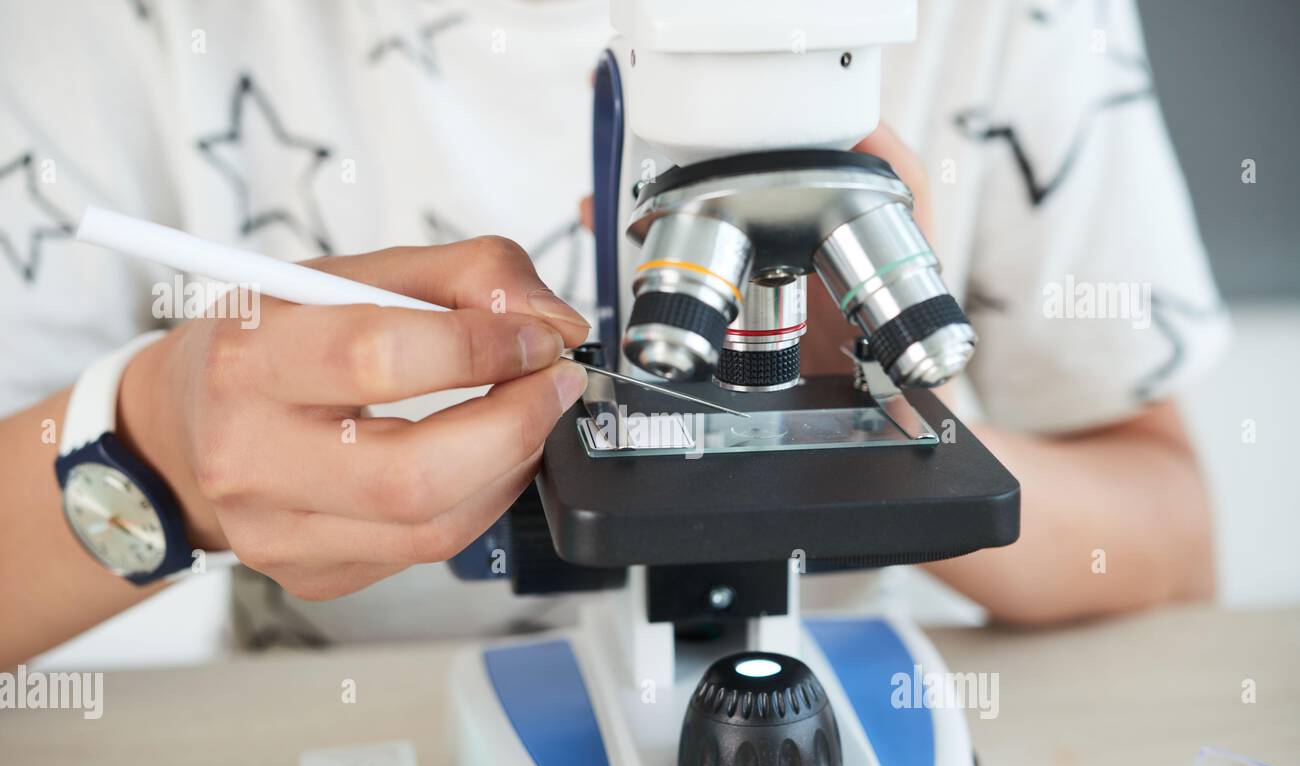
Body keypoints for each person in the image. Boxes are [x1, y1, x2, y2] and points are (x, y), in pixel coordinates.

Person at [0, 0, 1228, 664]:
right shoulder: (135, 26)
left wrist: (866, 407)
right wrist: (148, 453)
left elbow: (1166, 541)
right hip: (360, 732)